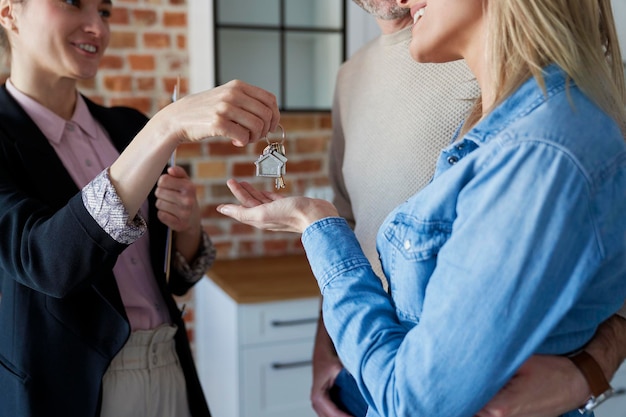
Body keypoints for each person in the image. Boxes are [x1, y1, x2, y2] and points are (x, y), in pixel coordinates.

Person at [217, 0, 626, 416]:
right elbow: (353, 218)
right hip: (367, 359)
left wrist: (590, 370)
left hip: (434, 385)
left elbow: (415, 401)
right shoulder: (358, 76)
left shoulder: (531, 118)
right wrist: (327, 347)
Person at [0, 1, 279, 416]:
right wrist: (165, 126)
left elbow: (177, 278)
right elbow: (46, 263)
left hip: (170, 369)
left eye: (105, 11)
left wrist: (186, 227)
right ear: (8, 12)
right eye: (74, 3)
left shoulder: (127, 126)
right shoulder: (147, 134)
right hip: (71, 391)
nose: (97, 26)